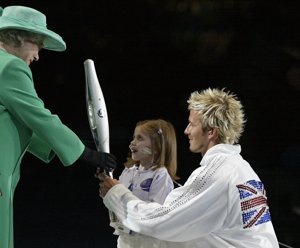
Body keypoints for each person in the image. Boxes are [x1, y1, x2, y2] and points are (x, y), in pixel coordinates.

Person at [99, 88, 280, 248]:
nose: (186, 130)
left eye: (192, 124)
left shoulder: (217, 172)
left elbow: (161, 222)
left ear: (211, 132)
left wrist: (117, 194)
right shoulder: (242, 168)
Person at [0, 5, 117, 248]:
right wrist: (85, 153)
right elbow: (38, 116)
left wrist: (59, 148)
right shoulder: (10, 67)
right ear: (19, 37)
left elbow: (17, 119)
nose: (38, 55)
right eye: (38, 46)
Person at [106, 118, 180, 248]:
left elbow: (156, 215)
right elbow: (117, 202)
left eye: (140, 139)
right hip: (125, 240)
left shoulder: (160, 176)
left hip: (148, 242)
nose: (132, 143)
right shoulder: (127, 172)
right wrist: (107, 190)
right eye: (134, 137)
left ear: (157, 147)